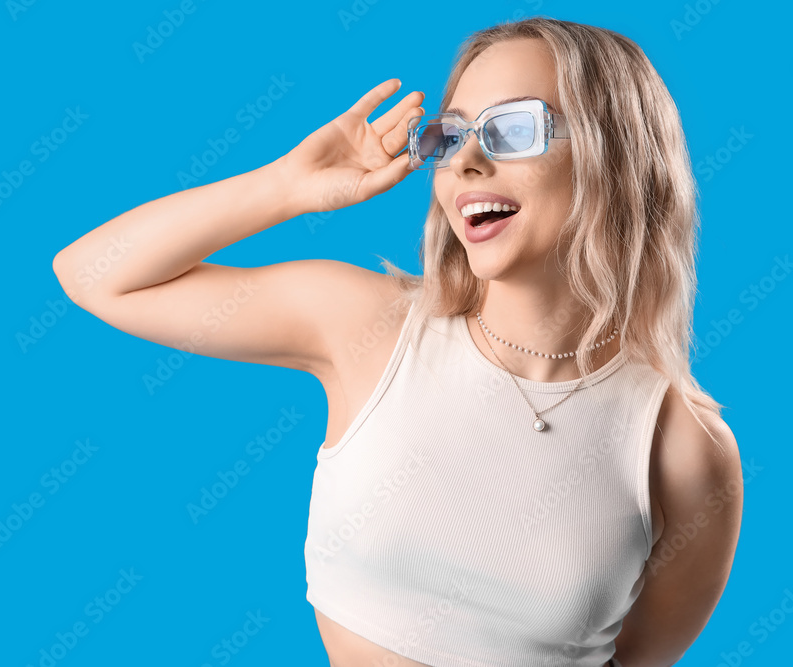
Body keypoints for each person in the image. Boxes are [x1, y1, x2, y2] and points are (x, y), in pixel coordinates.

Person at [52, 16, 742, 667]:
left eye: (510, 129)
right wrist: (284, 188)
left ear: (615, 153)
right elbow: (93, 275)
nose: (465, 160)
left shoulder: (685, 447)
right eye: (450, 134)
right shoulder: (366, 327)